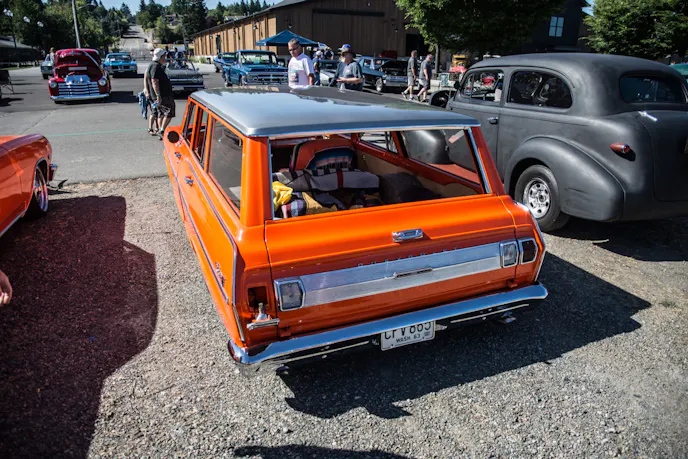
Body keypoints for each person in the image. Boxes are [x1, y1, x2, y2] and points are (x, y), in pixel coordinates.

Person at [149, 48, 175, 140]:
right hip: (163, 95)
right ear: (160, 57)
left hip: (163, 94)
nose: (165, 58)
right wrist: (158, 95)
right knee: (169, 112)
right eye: (164, 56)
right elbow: (154, 81)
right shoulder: (155, 66)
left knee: (162, 113)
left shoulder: (156, 66)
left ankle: (161, 131)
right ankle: (162, 130)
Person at [143, 55, 160, 135]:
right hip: (152, 94)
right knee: (154, 111)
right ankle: (150, 128)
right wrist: (146, 90)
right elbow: (145, 81)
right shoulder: (148, 70)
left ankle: (157, 127)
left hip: (154, 94)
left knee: (157, 111)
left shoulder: (154, 69)